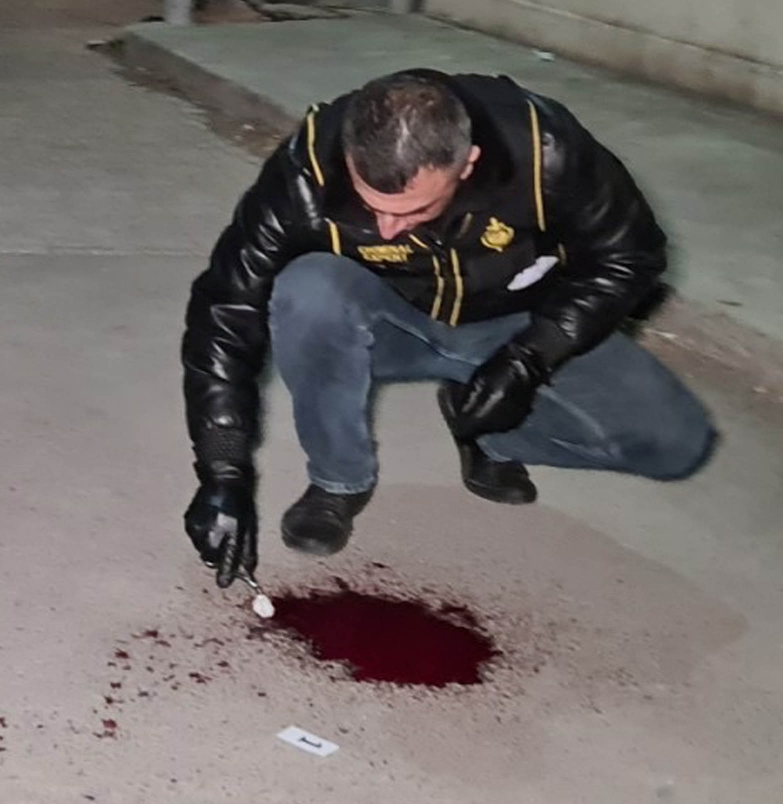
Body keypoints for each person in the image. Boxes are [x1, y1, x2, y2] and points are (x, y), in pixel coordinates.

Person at [181, 69, 716, 587]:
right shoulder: (307, 173)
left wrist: (531, 358)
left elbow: (630, 257)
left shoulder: (546, 153)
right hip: (390, 324)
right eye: (370, 205)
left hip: (517, 324)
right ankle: (338, 480)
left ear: (468, 163)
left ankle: (486, 429)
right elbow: (226, 309)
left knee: (676, 445)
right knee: (308, 288)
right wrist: (223, 468)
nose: (386, 228)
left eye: (412, 210)